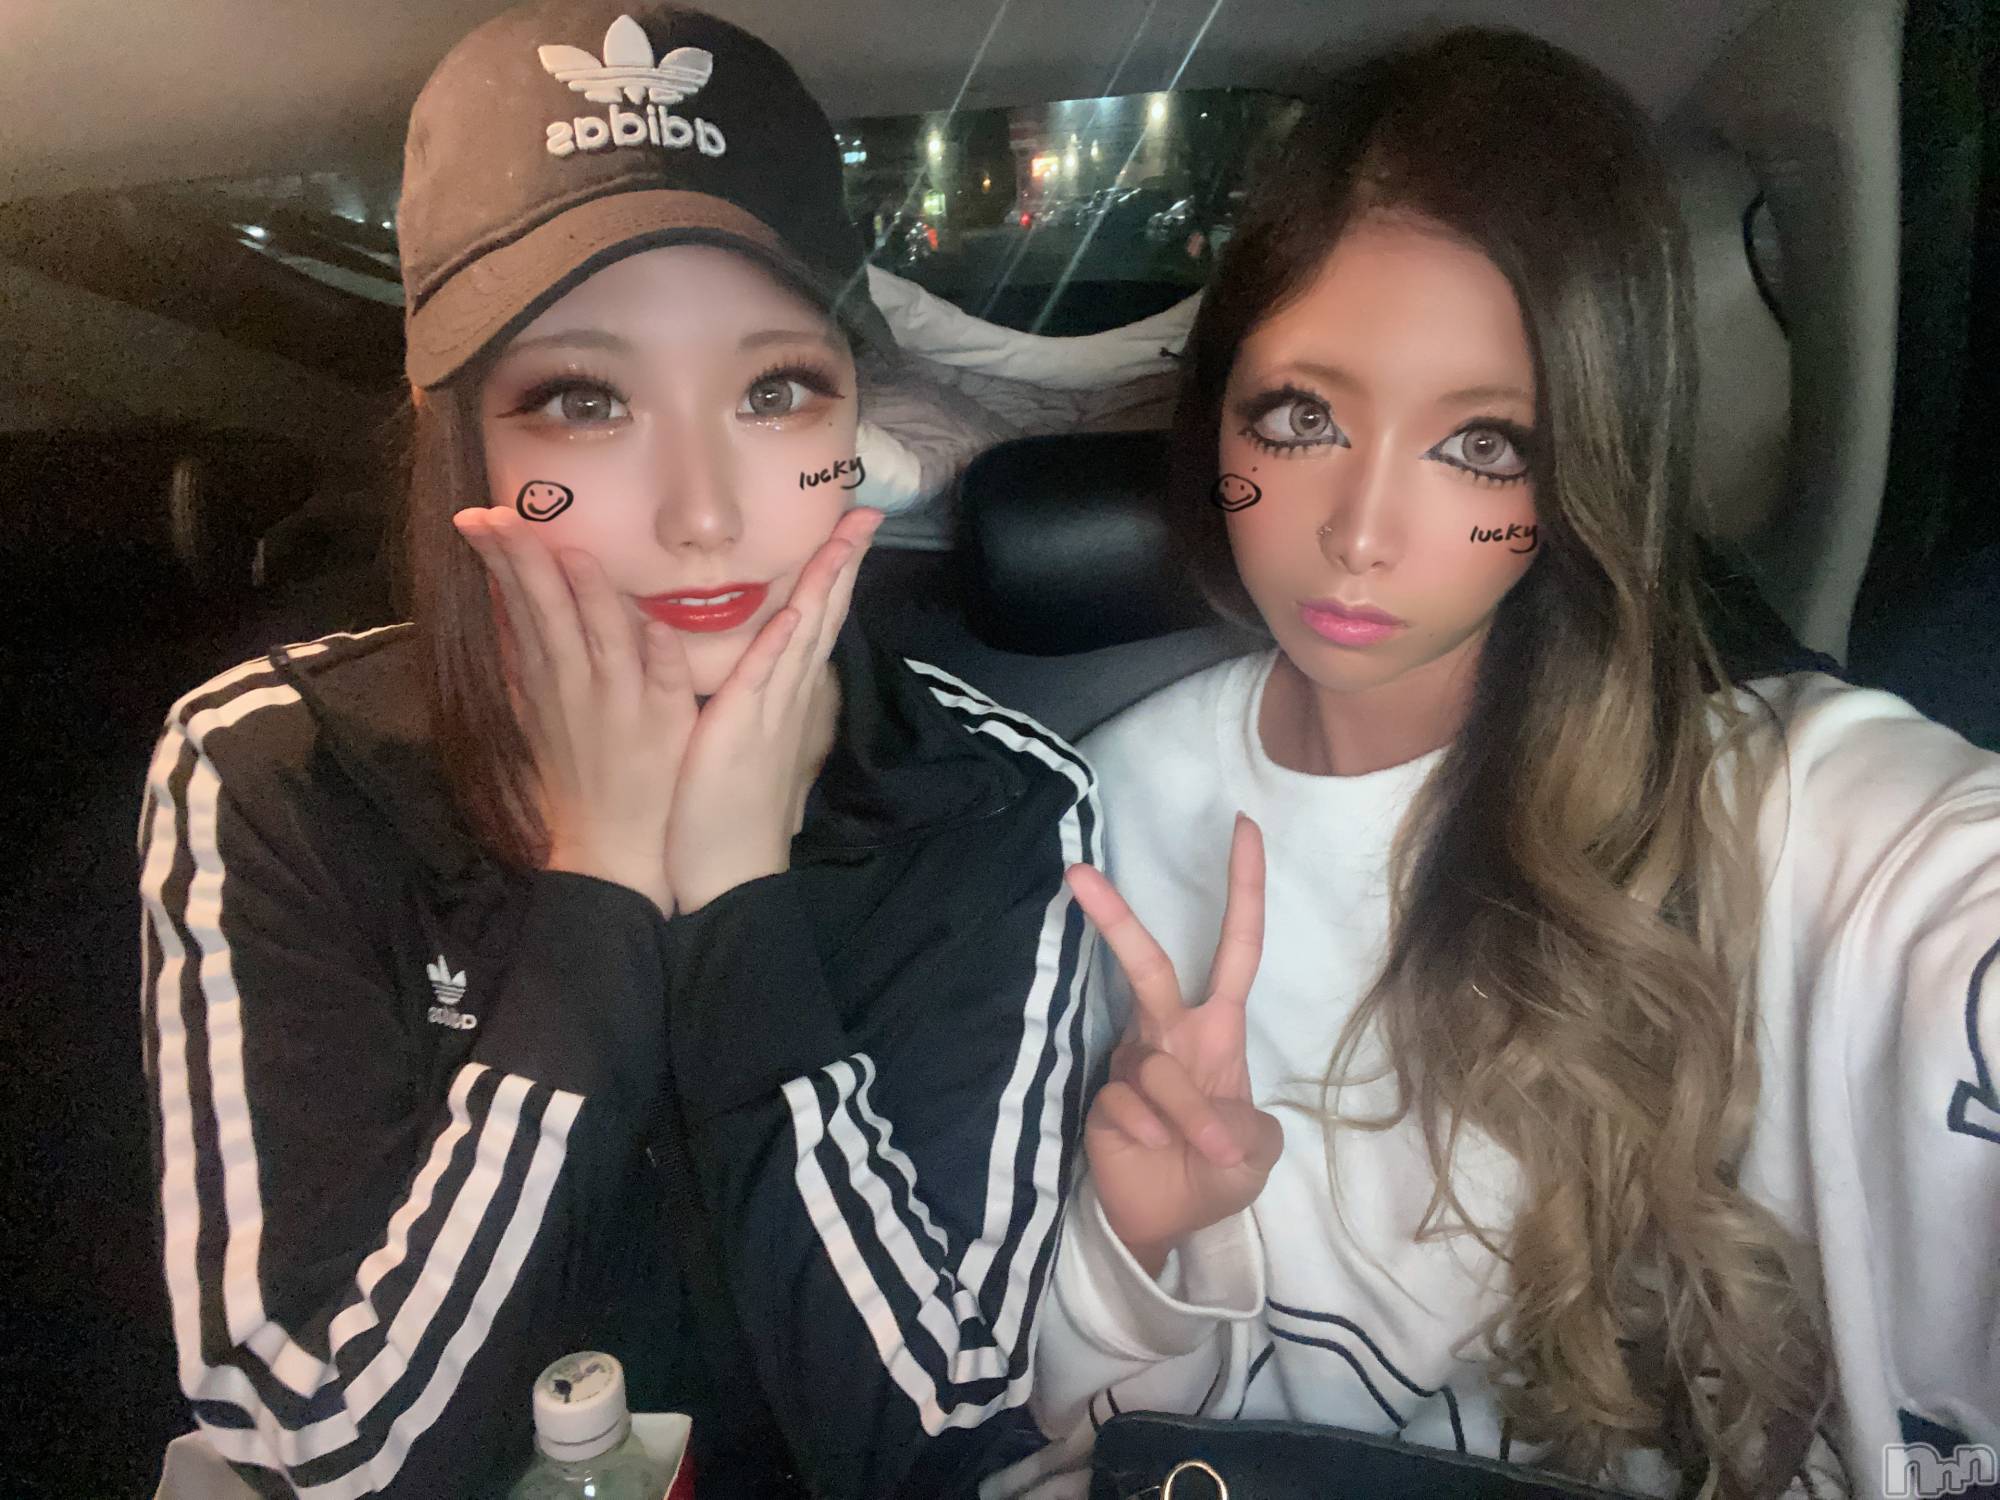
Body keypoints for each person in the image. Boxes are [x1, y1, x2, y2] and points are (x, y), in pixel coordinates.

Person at [1003, 28, 1999, 1500]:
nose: (1359, 533)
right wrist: (1141, 1241)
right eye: (1301, 418)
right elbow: (1082, 1436)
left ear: (1583, 468)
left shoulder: (1773, 811)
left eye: (1481, 444)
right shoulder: (1107, 815)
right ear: (1217, 416)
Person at [137, 4, 1098, 1496]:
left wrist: (735, 898)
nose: (703, 513)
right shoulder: (275, 773)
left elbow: (930, 1436)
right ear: (465, 440)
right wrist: (595, 895)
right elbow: (331, 1445)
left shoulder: (995, 803)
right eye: (582, 403)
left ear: (854, 418)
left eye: (777, 390)